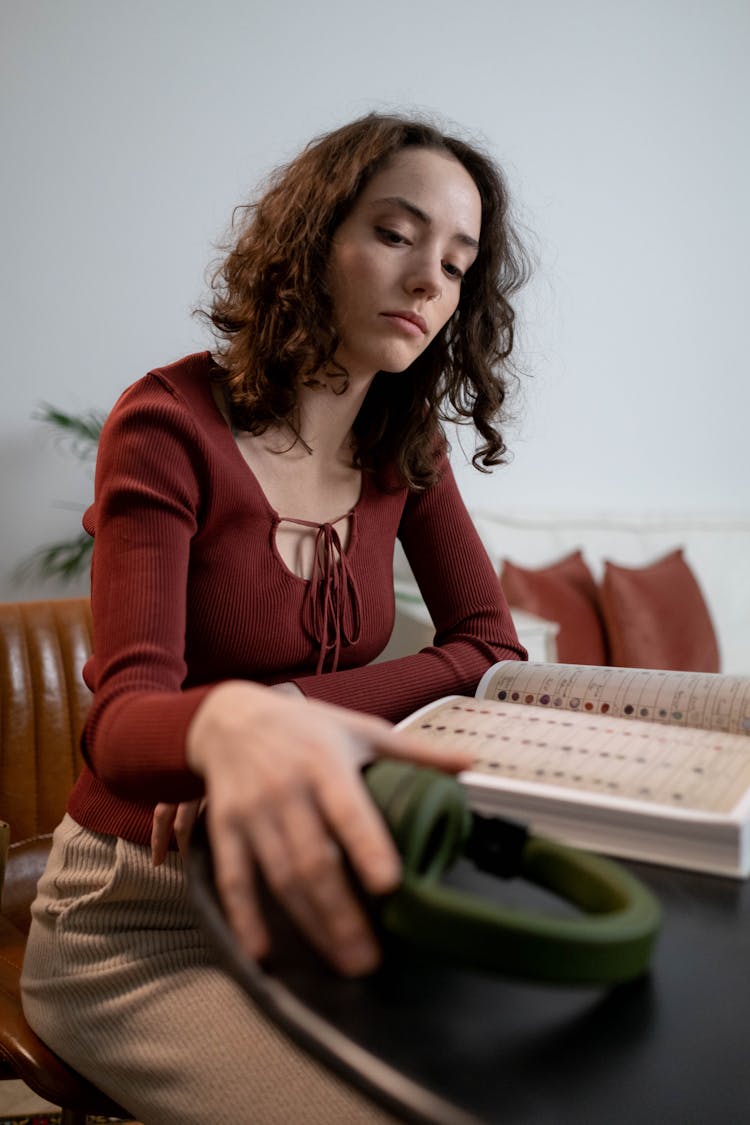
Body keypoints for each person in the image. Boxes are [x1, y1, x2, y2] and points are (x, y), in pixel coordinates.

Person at [21, 112, 529, 1124]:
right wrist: (219, 726)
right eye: (395, 233)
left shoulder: (405, 447)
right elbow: (124, 727)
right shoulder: (166, 425)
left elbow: (489, 649)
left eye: (459, 262)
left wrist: (281, 705)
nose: (432, 279)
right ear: (313, 239)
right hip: (139, 920)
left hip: (318, 893)